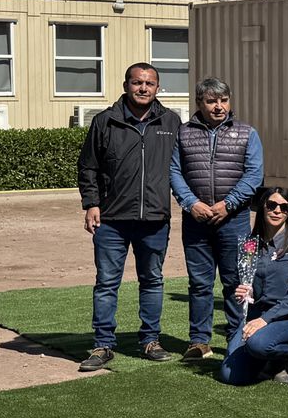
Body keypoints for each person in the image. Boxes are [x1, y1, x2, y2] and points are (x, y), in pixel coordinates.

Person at [77, 62, 183, 371]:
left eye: (149, 83)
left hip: (155, 220)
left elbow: (183, 167)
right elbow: (88, 166)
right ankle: (102, 345)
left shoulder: (171, 122)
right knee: (107, 283)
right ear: (126, 85)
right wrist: (91, 203)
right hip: (112, 220)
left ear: (158, 88)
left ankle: (150, 340)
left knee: (152, 281)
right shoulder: (105, 121)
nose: (143, 88)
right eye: (137, 82)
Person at [170, 77, 264, 361]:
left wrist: (229, 204)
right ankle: (199, 342)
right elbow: (174, 172)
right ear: (199, 103)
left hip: (234, 221)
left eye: (224, 100)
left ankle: (236, 338)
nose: (219, 106)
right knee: (200, 284)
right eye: (211, 101)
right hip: (196, 222)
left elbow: (254, 174)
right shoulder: (183, 133)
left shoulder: (247, 133)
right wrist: (191, 204)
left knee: (236, 282)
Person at [219, 187, 288, 386]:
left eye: (284, 207)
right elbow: (240, 282)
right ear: (262, 208)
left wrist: (264, 320)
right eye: (271, 205)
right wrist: (243, 291)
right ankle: (266, 359)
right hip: (256, 315)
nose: (277, 211)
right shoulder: (249, 244)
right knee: (231, 376)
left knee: (258, 344)